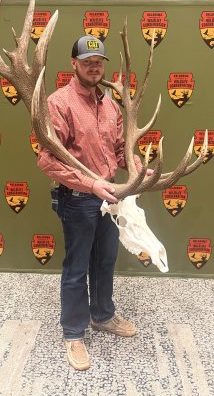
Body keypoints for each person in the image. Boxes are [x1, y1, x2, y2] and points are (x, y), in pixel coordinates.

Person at [37, 35, 148, 371]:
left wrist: (136, 165)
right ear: (74, 64)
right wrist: (91, 183)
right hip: (78, 200)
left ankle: (102, 315)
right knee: (77, 268)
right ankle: (73, 332)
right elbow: (47, 161)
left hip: (109, 198)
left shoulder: (111, 104)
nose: (94, 67)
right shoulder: (59, 103)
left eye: (98, 62)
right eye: (87, 62)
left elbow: (116, 152)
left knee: (105, 261)